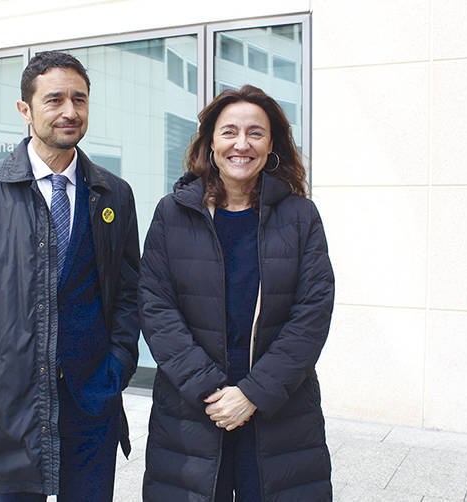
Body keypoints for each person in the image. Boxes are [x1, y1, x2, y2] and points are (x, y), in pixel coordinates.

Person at [0, 51, 140, 502]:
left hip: (91, 404)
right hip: (8, 405)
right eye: (55, 100)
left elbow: (128, 294)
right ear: (25, 110)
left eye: (80, 100)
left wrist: (117, 368)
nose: (70, 111)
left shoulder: (114, 195)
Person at [139, 84, 335, 501]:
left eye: (255, 133)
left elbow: (312, 314)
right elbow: (156, 308)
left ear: (271, 145)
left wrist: (252, 393)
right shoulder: (171, 214)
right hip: (193, 410)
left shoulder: (301, 217)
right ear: (210, 142)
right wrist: (211, 390)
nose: (241, 144)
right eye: (229, 132)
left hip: (279, 411)